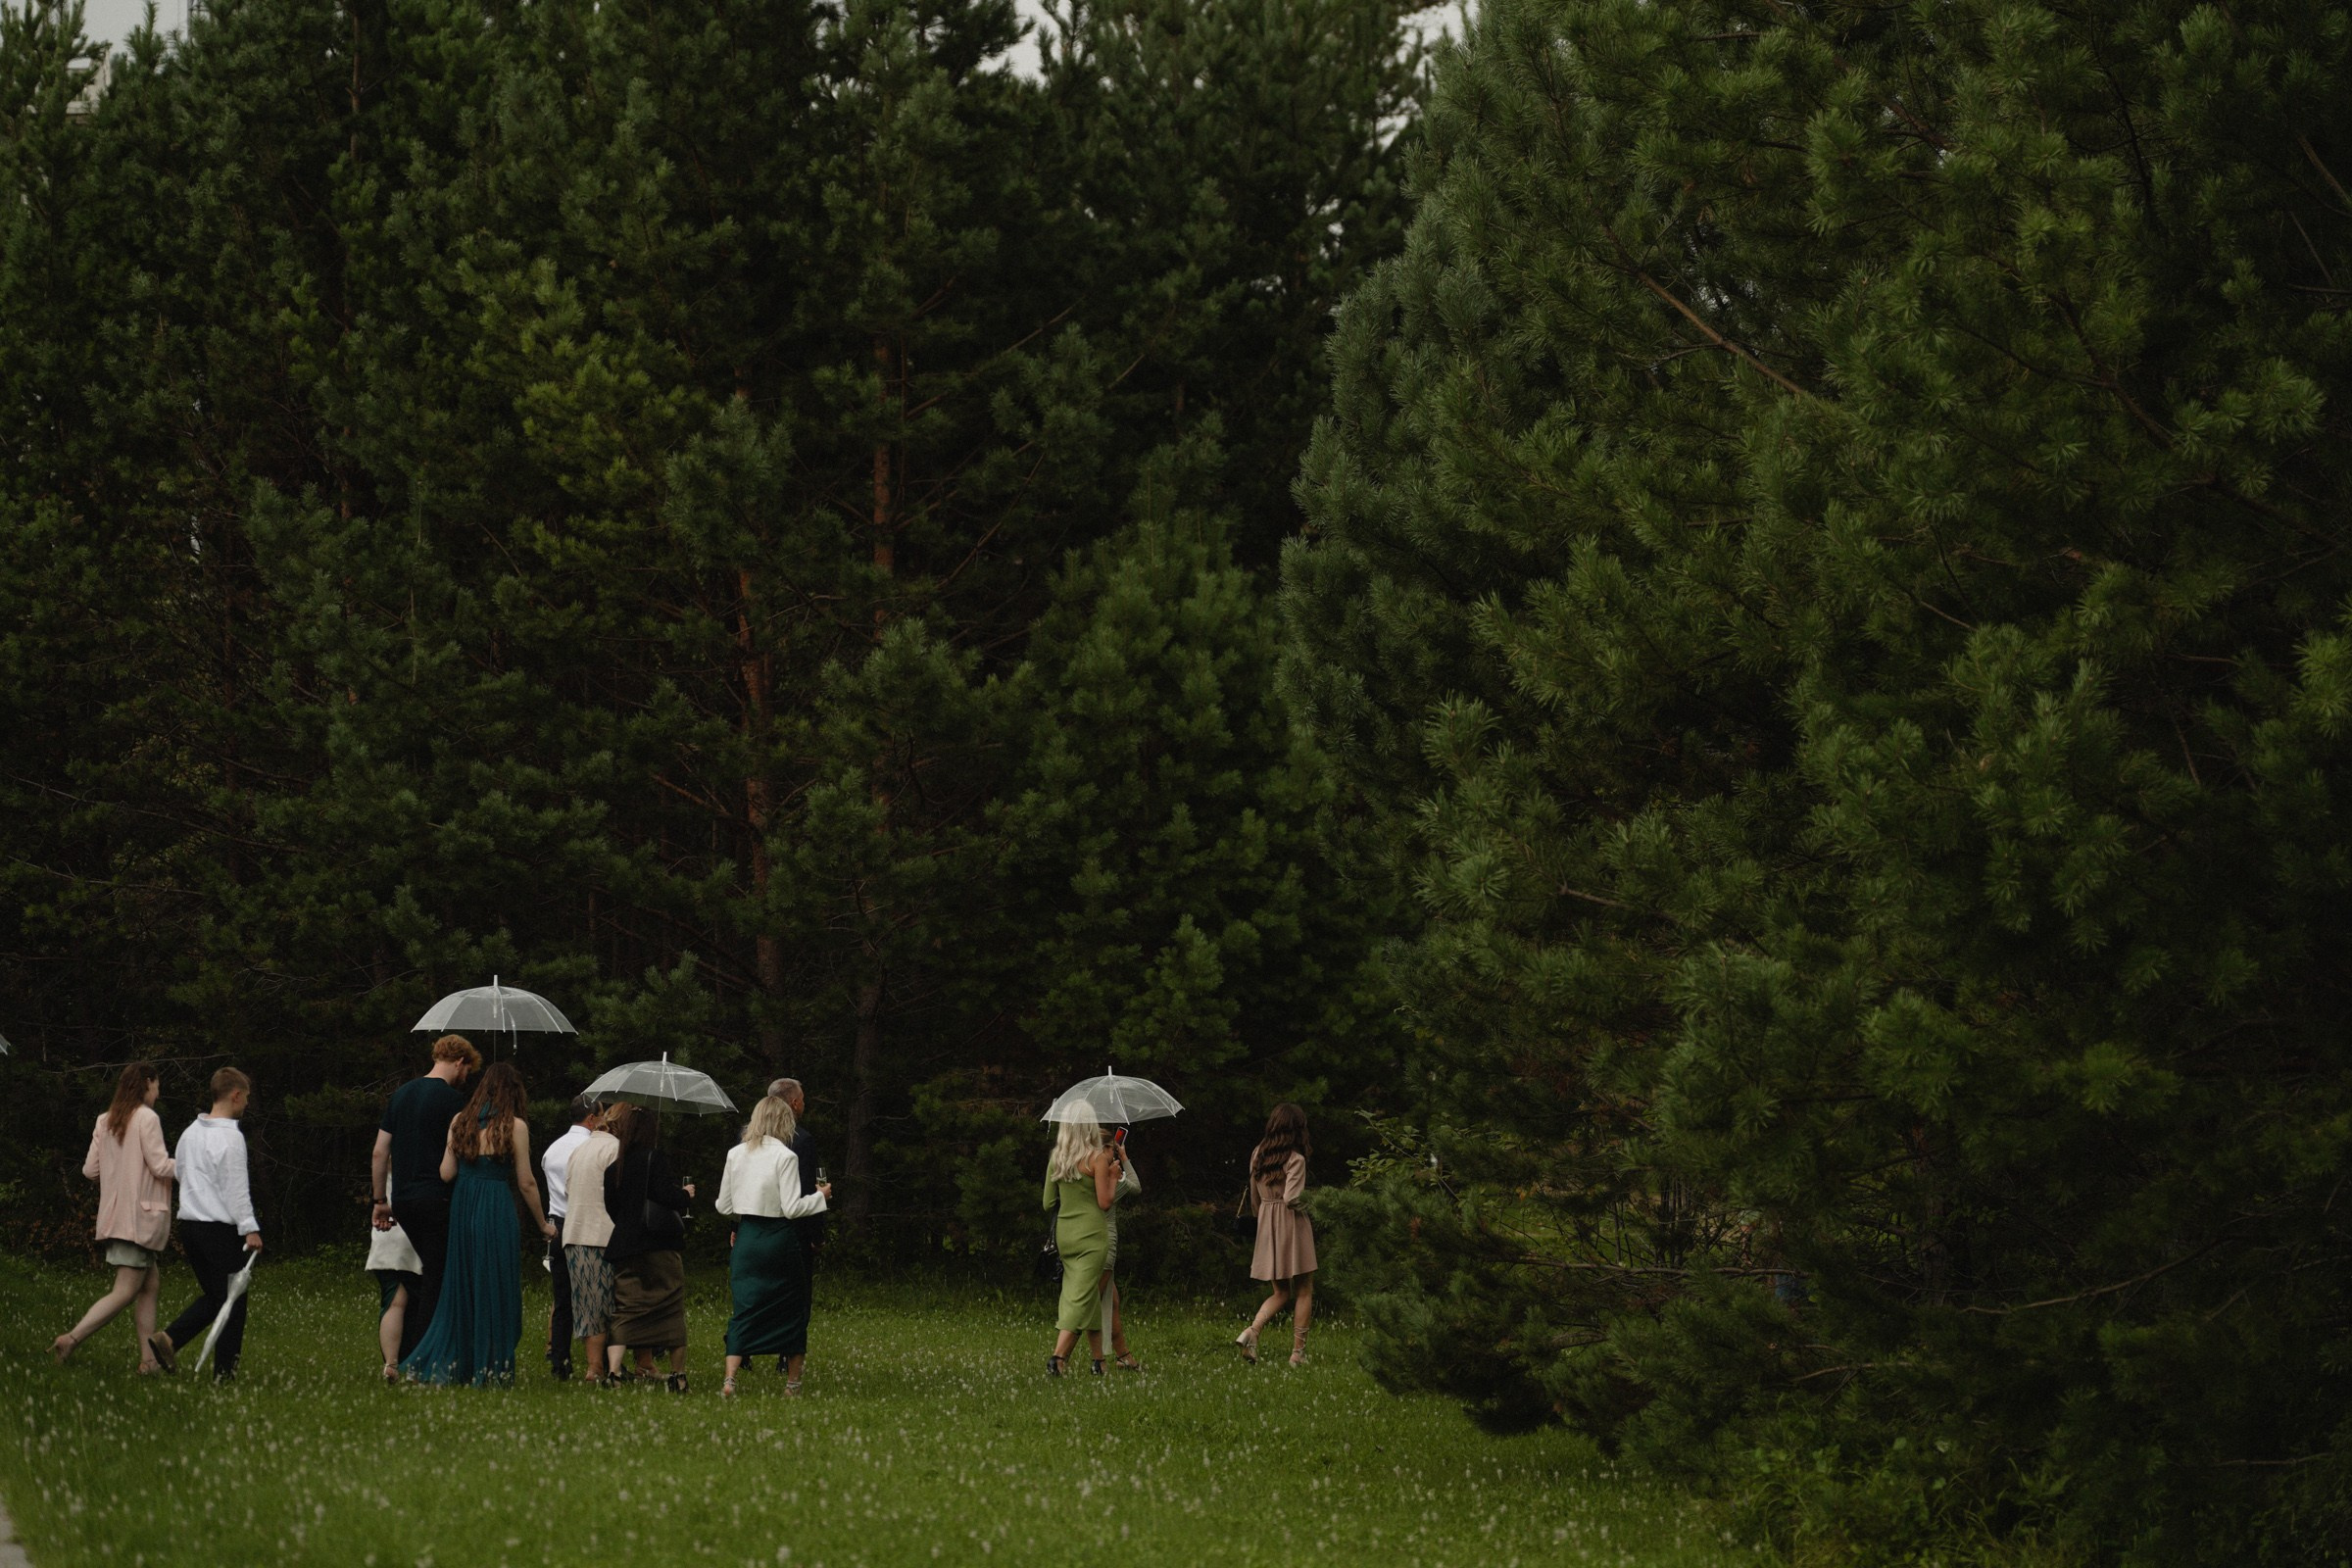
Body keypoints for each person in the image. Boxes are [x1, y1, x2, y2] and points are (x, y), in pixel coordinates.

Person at [400, 1061, 556, 1386]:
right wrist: (543, 1224)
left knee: (464, 1284)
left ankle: (458, 1363)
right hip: (495, 1206)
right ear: (513, 1094)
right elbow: (526, 1182)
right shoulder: (515, 1126)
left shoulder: (459, 1121)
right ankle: (490, 1366)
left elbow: (446, 1173)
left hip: (464, 1207)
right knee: (494, 1282)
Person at [54, 1062, 176, 1370]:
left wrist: (117, 1172)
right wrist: (195, 1165)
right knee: (124, 1291)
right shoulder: (147, 1118)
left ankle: (149, 1362)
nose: (158, 1093)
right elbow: (161, 1166)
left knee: (149, 1287)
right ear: (147, 1083)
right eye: (157, 1085)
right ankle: (71, 1339)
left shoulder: (104, 1120)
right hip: (139, 1221)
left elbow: (89, 1171)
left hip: (117, 1218)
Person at [371, 1034, 479, 1360]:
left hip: (403, 1200)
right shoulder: (453, 1102)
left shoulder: (402, 1094)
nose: (465, 1079)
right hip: (438, 1198)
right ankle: (425, 1355)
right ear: (459, 1062)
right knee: (439, 1277)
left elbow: (379, 1152)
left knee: (428, 1273)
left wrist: (380, 1201)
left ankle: (414, 1351)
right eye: (467, 1071)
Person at [715, 1092, 830, 1397]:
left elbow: (723, 1206)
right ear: (784, 1122)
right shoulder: (786, 1156)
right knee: (792, 1308)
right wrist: (821, 1198)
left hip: (748, 1238)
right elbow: (792, 1208)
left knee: (744, 1307)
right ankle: (792, 1384)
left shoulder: (735, 1154)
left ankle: (729, 1380)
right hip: (780, 1238)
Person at [153, 1067, 262, 1379]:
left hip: (190, 1227)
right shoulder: (231, 1136)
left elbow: (182, 1174)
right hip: (219, 1229)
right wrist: (249, 1227)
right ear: (235, 1094)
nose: (247, 1104)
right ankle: (224, 1375)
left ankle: (170, 1339)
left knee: (217, 1296)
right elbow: (236, 1187)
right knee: (233, 1302)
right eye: (247, 1097)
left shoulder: (190, 1133)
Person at [603, 1102, 696, 1391]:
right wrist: (685, 1195)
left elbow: (612, 1208)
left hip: (625, 1247)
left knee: (626, 1309)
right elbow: (665, 1196)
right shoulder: (655, 1158)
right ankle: (678, 1376)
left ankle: (615, 1373)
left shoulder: (613, 1168)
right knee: (670, 1308)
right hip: (659, 1246)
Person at [1041, 1106, 1125, 1376]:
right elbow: (1104, 1202)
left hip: (1066, 1234)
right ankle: (1058, 1357)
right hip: (1092, 1236)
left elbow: (1047, 1203)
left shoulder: (1057, 1158)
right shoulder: (1097, 1158)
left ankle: (1099, 1361)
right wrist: (1112, 1178)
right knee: (1082, 1297)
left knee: (1083, 1295)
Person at [1237, 1102, 1317, 1366]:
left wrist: (1264, 1220)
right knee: (1304, 1289)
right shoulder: (1296, 1159)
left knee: (1280, 1292)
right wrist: (1314, 1205)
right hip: (1292, 1224)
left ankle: (1253, 1331)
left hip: (1268, 1223)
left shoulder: (1257, 1154)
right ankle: (1297, 1353)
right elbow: (1293, 1198)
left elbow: (1255, 1196)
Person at [766, 1076, 825, 1375]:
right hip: (793, 1227)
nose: (805, 1103)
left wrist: (736, 1227)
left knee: (761, 1291)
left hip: (757, 1226)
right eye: (802, 1098)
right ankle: (787, 1353)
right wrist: (817, 1232)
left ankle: (744, 1350)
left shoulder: (747, 1138)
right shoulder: (801, 1140)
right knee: (797, 1294)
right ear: (793, 1103)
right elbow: (806, 1188)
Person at [562, 1102, 623, 1386]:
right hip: (601, 1234)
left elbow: (566, 1189)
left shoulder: (579, 1150)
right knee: (608, 1304)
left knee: (586, 1304)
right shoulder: (614, 1150)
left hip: (574, 1234)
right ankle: (602, 1367)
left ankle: (594, 1366)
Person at [539, 1098, 596, 1380]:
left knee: (562, 1299)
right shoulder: (588, 1148)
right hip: (581, 1223)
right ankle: (598, 1362)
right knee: (593, 1296)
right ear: (592, 1119)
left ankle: (560, 1361)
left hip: (556, 1224)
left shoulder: (552, 1149)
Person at [366, 1190, 424, 1383]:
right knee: (417, 1300)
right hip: (413, 1216)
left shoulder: (386, 1161)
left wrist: (379, 1201)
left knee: (395, 1301)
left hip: (388, 1221)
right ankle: (416, 1364)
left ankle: (391, 1364)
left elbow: (378, 1158)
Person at [1099, 1134, 1144, 1372]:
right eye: (1111, 1149)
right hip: (1104, 1244)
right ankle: (1062, 1356)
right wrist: (1124, 1159)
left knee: (1112, 1301)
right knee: (1090, 1303)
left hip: (1095, 1243)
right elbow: (1135, 1186)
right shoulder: (1109, 1180)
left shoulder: (1088, 1176)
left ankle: (1123, 1355)